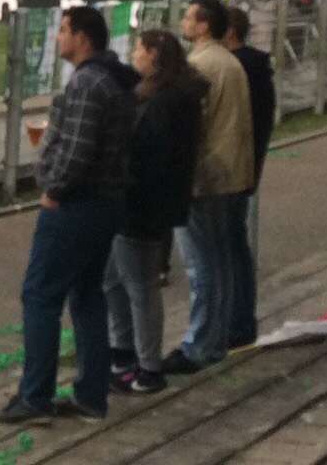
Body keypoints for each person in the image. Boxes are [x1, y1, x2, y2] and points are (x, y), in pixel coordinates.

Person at [0, 5, 135, 425]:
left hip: (77, 205)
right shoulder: (112, 79)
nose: (57, 38)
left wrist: (54, 190)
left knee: (40, 296)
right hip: (104, 204)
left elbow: (76, 152)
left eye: (63, 31)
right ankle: (91, 396)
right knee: (88, 296)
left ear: (82, 37)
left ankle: (35, 397)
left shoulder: (89, 83)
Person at [105, 30, 204, 394]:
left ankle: (147, 367)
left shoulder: (167, 101)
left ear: (155, 55)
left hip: (143, 205)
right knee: (114, 279)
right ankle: (124, 355)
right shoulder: (159, 95)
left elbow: (154, 157)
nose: (133, 54)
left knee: (140, 284)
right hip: (140, 202)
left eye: (139, 49)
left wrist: (127, 184)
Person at [164, 0, 253, 374]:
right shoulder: (230, 62)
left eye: (188, 17)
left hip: (204, 180)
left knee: (203, 267)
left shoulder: (199, 65)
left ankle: (200, 344)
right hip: (232, 175)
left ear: (203, 26)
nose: (183, 22)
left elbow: (189, 126)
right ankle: (218, 338)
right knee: (221, 262)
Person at [222, 5, 276, 349]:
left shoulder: (238, 68)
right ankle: (240, 322)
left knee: (226, 249)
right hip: (242, 170)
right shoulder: (255, 68)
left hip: (230, 173)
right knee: (234, 247)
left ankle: (236, 323)